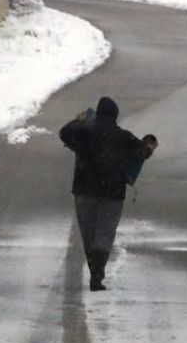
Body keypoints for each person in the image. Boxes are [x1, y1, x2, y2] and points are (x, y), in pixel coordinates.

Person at [59, 96, 156, 291]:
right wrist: (149, 144)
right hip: (112, 192)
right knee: (105, 232)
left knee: (88, 232)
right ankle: (97, 272)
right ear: (115, 115)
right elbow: (142, 152)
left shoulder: (84, 132)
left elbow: (64, 133)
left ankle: (94, 266)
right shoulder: (123, 136)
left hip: (84, 190)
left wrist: (79, 120)